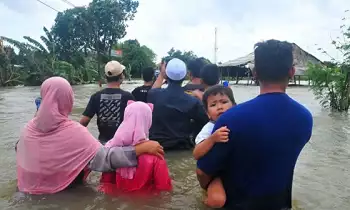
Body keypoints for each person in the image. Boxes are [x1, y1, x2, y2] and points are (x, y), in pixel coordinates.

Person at [196, 40, 313, 210]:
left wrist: (210, 188)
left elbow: (202, 172)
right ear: (292, 72)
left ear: (255, 73)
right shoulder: (304, 118)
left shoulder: (231, 119)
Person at [16, 77, 164, 194]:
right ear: (68, 99)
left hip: (25, 192)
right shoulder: (74, 132)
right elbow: (104, 160)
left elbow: (19, 149)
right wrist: (139, 149)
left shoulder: (27, 130)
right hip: (67, 193)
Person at [100, 101, 172, 195]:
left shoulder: (110, 150)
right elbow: (164, 189)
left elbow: (105, 184)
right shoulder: (156, 154)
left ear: (126, 117)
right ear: (148, 121)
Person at [148, 58, 208, 150]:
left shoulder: (153, 95)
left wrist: (161, 75)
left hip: (157, 147)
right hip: (182, 147)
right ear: (185, 76)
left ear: (166, 74)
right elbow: (205, 122)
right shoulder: (193, 101)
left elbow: (153, 91)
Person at [193, 85, 236, 208]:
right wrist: (212, 139)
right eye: (213, 105)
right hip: (216, 174)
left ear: (234, 105)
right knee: (216, 201)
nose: (220, 107)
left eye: (224, 102)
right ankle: (204, 201)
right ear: (207, 113)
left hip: (235, 169)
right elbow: (196, 154)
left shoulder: (240, 123)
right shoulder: (209, 129)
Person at [80, 61, 135, 144]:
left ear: (105, 76)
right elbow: (135, 123)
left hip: (102, 144)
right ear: (121, 76)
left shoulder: (96, 96)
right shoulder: (128, 97)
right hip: (122, 145)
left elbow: (83, 123)